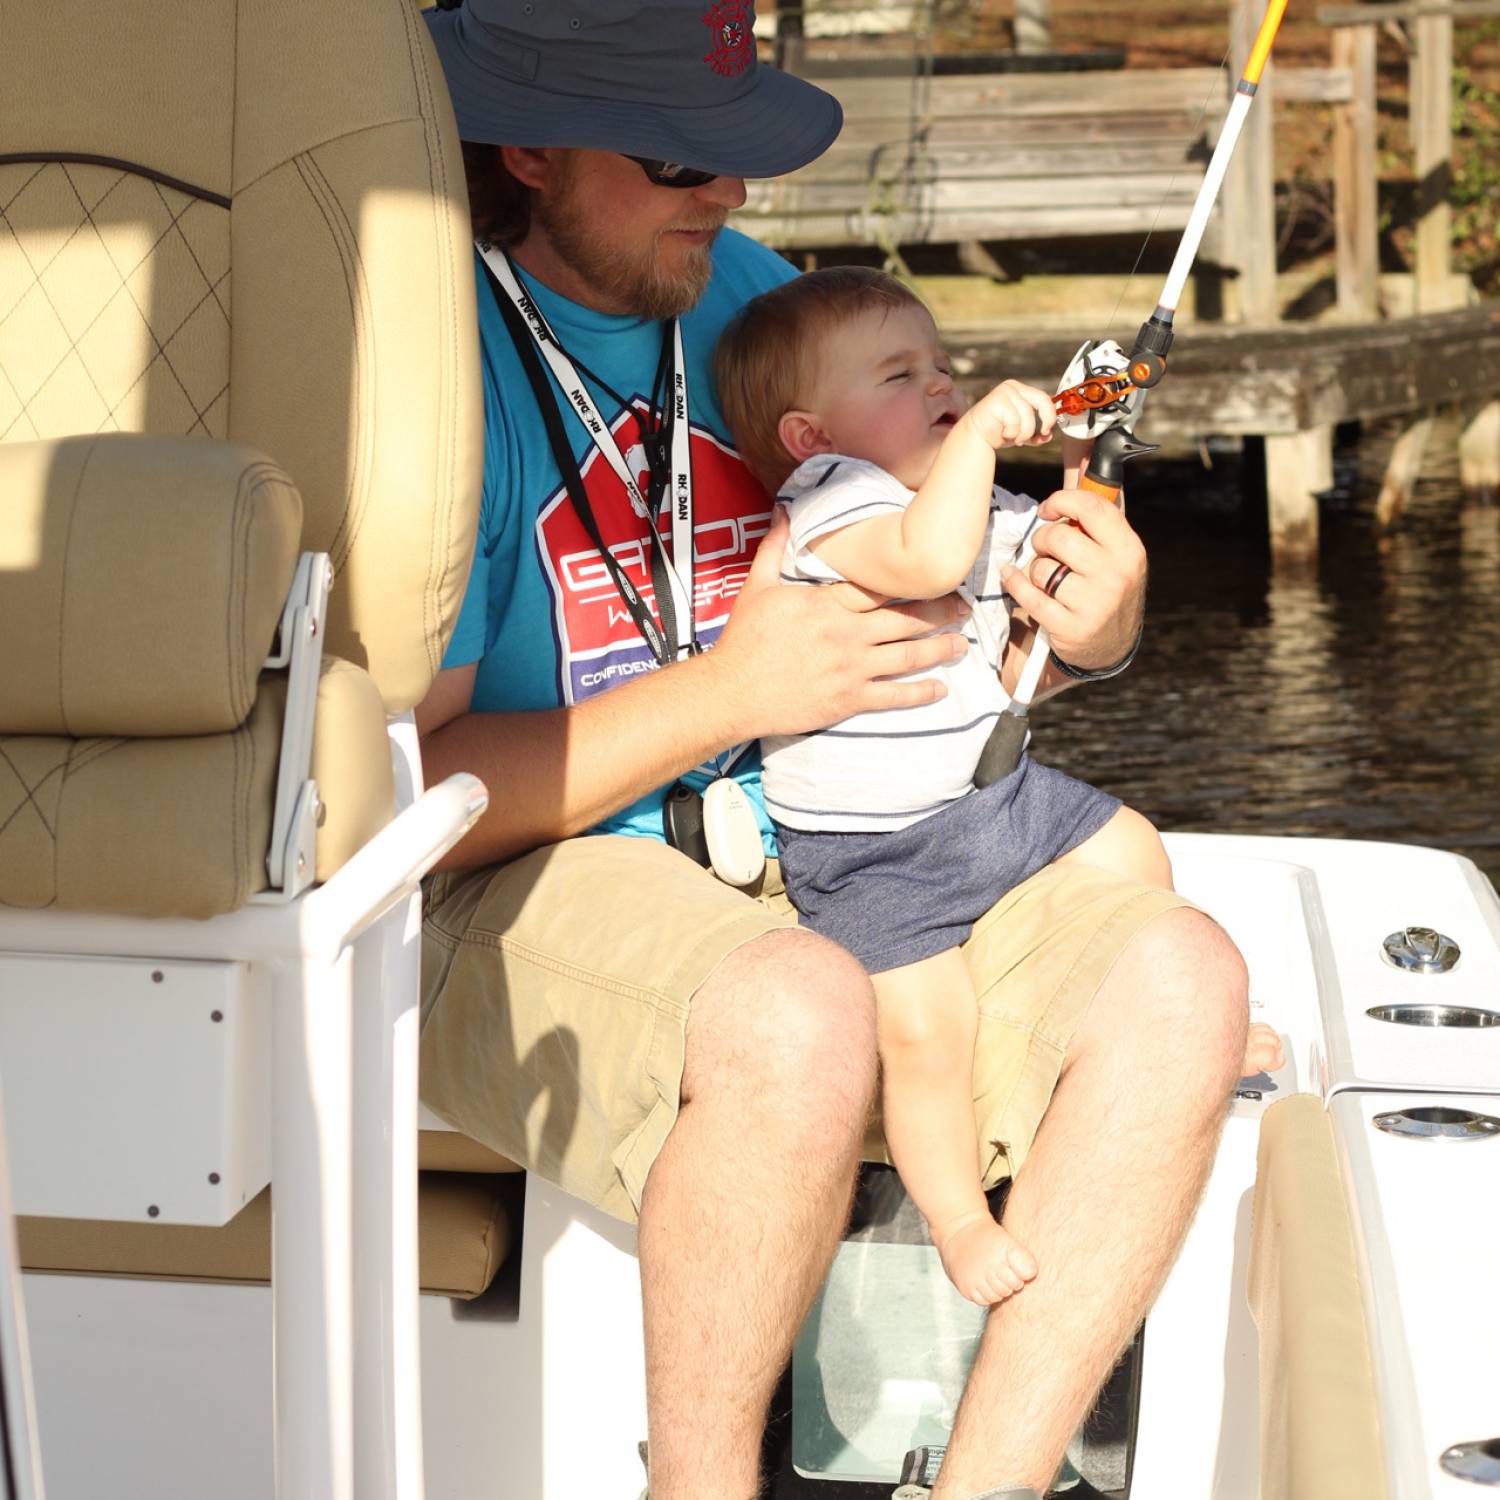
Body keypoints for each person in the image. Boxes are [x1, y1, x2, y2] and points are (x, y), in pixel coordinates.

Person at [415, 2, 1254, 1497]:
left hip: (833, 839)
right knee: (799, 1010)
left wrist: (1093, 623)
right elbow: (404, 810)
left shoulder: (754, 304)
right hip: (532, 873)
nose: (728, 197)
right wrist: (727, 698)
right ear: (529, 150)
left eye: (737, 154)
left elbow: (944, 594)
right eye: (683, 159)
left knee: (1185, 975)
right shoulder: (425, 366)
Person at [716, 267, 1284, 1308]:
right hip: (869, 854)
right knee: (928, 1036)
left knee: (1132, 846)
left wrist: (1083, 465)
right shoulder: (834, 504)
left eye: (942, 367)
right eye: (899, 374)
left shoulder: (961, 495)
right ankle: (958, 1219)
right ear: (809, 437)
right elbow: (927, 557)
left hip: (989, 802)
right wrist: (979, 434)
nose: (938, 386)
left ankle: (1191, 1027)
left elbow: (1056, 560)